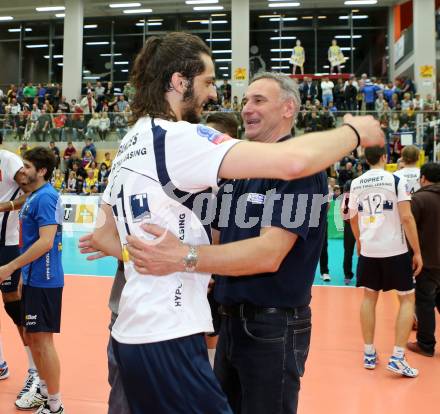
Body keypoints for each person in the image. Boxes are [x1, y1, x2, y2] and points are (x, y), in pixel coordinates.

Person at [78, 32, 383, 414]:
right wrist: (354, 132)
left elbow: (105, 234)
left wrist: (160, 254)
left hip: (162, 326)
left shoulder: (131, 141)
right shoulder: (177, 137)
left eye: (258, 99)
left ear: (289, 109)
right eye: (207, 82)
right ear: (179, 81)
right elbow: (294, 160)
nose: (215, 97)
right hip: (170, 329)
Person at [124, 71, 329, 414]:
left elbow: (269, 254)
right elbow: (219, 237)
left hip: (273, 326)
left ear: (288, 108)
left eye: (259, 100)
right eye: (245, 100)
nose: (247, 108)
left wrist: (182, 257)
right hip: (229, 321)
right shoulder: (242, 171)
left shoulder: (300, 169)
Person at [0, 147, 65, 413]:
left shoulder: (46, 197)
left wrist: (11, 266)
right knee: (34, 338)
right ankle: (42, 391)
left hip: (45, 279)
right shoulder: (35, 196)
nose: (22, 170)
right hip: (32, 278)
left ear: (42, 171)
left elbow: (46, 242)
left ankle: (55, 404)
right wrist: (21, 277)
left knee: (43, 342)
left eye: (27, 166)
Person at [349, 146, 422, 378]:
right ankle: (398, 357)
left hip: (370, 249)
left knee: (369, 297)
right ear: (385, 157)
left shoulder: (355, 182)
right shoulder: (395, 179)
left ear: (365, 160)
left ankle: (369, 353)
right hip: (395, 249)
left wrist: (360, 241)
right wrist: (417, 252)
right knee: (407, 298)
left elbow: (351, 217)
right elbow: (407, 217)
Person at [0, 132, 40, 398]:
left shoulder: (9, 160)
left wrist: (6, 206)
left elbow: (33, 192)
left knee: (15, 305)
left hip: (6, 244)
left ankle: (34, 371)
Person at [407, 163, 440, 357]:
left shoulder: (418, 199)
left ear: (423, 178)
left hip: (427, 261)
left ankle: (425, 344)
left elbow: (409, 229)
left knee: (425, 302)